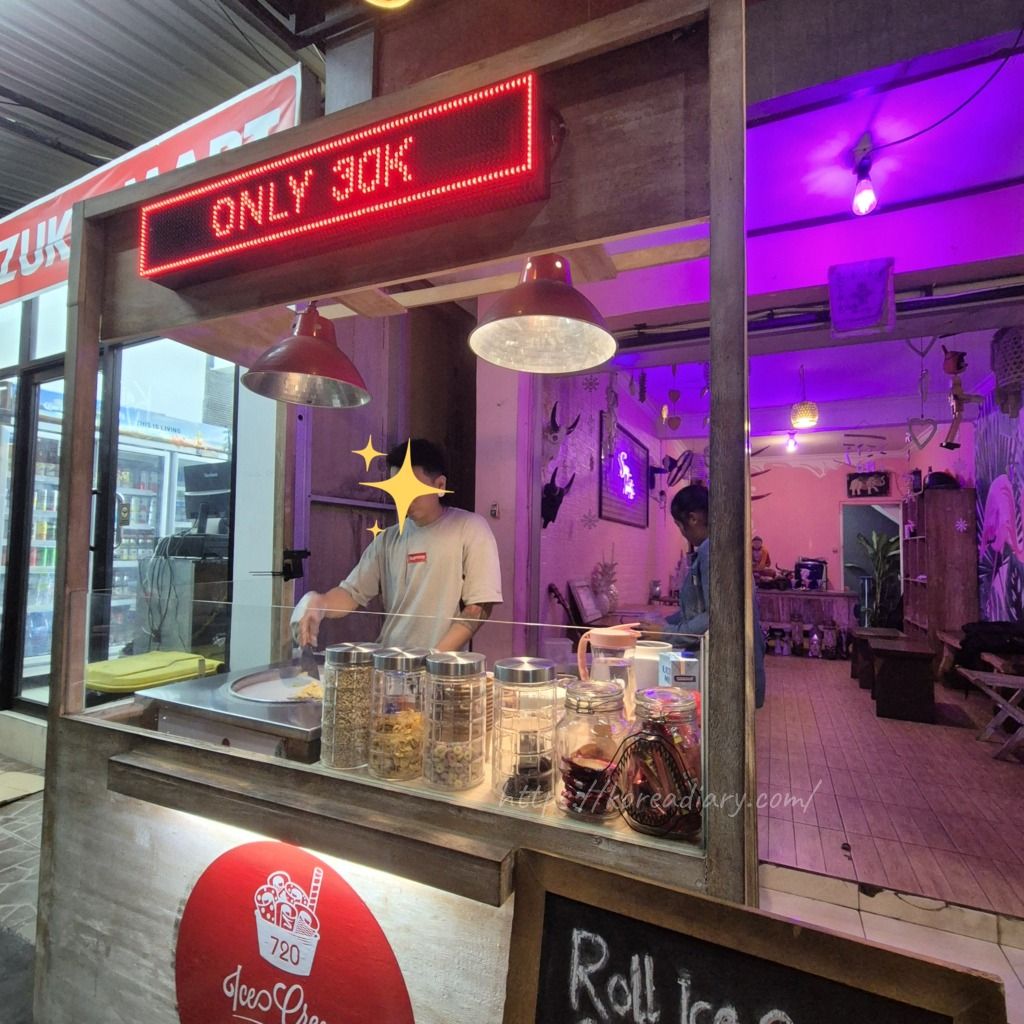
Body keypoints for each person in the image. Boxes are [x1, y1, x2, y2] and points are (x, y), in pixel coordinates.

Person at [295, 439, 502, 651]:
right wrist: (319, 603)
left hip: (441, 664)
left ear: (440, 485)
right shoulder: (388, 539)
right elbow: (351, 593)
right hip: (391, 659)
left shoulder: (470, 528)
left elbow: (479, 608)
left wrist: (435, 657)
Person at [664, 483, 766, 709]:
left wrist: (667, 633)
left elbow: (717, 616)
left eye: (679, 525)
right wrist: (663, 623)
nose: (682, 533)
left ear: (693, 518)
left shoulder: (713, 549)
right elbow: (699, 608)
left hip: (721, 666)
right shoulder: (719, 546)